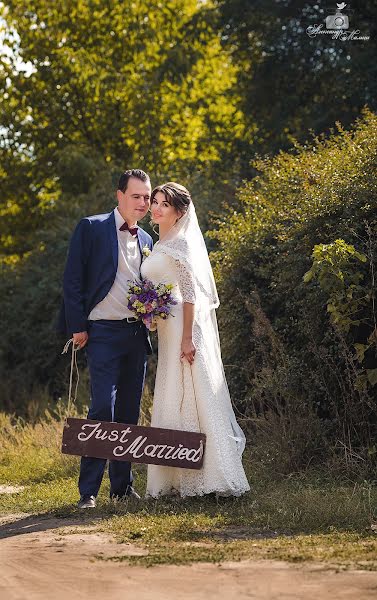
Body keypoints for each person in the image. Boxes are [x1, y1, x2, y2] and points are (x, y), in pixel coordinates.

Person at [141, 182, 250, 498]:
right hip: (167, 327)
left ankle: (212, 479)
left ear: (179, 211)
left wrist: (187, 338)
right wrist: (148, 310)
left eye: (164, 204)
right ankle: (174, 479)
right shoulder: (159, 244)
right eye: (155, 202)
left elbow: (189, 296)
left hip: (184, 330)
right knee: (171, 392)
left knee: (195, 393)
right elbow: (163, 289)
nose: (156, 208)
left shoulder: (182, 244)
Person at [58, 169, 153, 508]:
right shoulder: (92, 227)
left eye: (146, 197)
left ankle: (122, 487)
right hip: (101, 334)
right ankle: (88, 492)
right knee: (102, 408)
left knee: (129, 411)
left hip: (135, 334)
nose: (142, 203)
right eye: (136, 196)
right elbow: (72, 281)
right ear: (119, 195)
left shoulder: (147, 240)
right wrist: (77, 326)